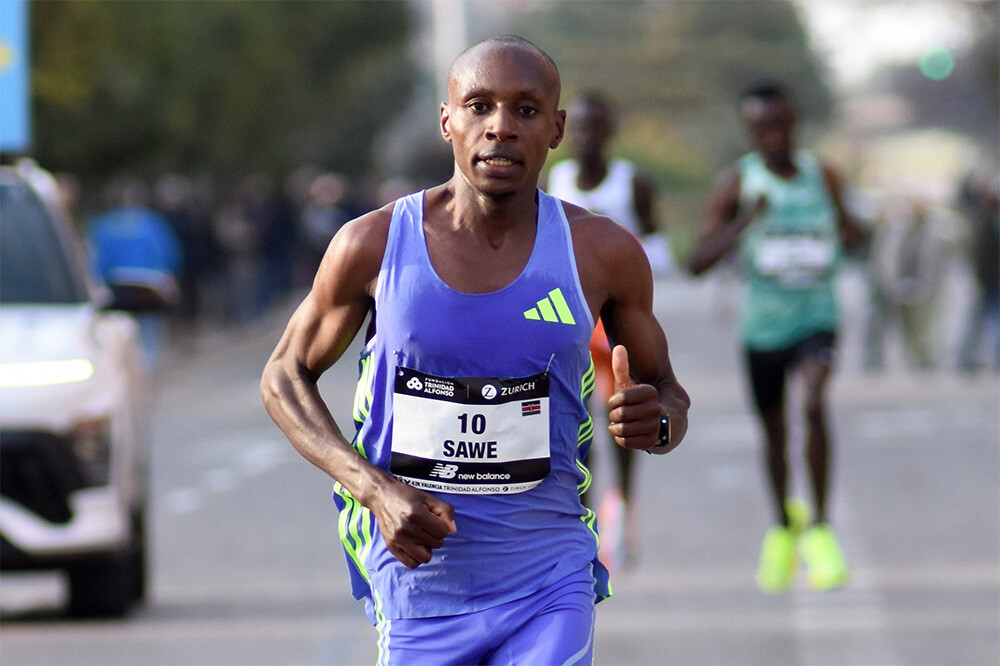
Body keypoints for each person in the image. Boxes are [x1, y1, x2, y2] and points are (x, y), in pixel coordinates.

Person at [261, 35, 689, 664]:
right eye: (479, 106)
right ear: (447, 121)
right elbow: (284, 375)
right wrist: (374, 490)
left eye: (525, 109)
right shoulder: (372, 244)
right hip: (420, 578)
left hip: (550, 575)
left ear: (556, 129)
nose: (500, 127)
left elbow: (668, 395)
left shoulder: (602, 252)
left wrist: (658, 422)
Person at [688, 81, 861, 593]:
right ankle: (785, 526)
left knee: (814, 402)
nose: (775, 136)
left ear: (795, 122)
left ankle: (821, 528)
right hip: (763, 329)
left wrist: (849, 234)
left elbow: (854, 232)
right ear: (750, 130)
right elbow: (696, 262)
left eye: (782, 125)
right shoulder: (738, 183)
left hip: (816, 318)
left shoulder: (823, 174)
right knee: (775, 434)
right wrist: (745, 221)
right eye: (763, 128)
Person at [545, 92, 672, 570]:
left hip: (617, 321)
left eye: (596, 127)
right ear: (564, 132)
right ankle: (583, 518)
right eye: (579, 127)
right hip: (572, 321)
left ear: (610, 131)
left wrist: (621, 259)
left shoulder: (631, 182)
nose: (587, 137)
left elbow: (659, 248)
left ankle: (624, 505)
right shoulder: (554, 181)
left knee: (622, 415)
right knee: (579, 425)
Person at [88, 177, 183, 372]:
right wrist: (169, 279)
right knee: (148, 333)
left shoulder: (103, 226)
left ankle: (128, 371)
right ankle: (145, 371)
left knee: (119, 332)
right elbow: (167, 254)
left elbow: (95, 259)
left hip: (116, 287)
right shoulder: (151, 223)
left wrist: (97, 283)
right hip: (148, 288)